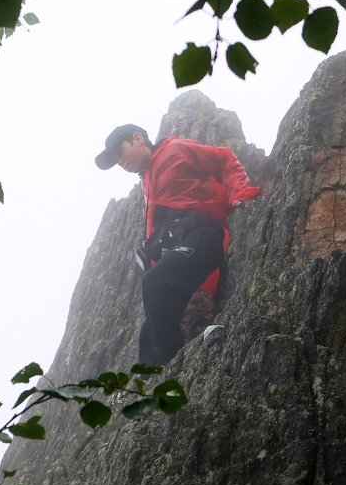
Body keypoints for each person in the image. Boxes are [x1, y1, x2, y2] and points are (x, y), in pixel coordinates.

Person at [95, 124, 261, 366]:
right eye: (115, 160)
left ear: (138, 138)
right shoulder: (146, 182)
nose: (119, 162)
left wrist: (241, 192)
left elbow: (223, 157)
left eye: (119, 152)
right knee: (148, 331)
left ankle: (168, 368)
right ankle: (150, 380)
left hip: (204, 232)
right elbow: (156, 229)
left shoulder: (176, 150)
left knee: (155, 284)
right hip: (181, 247)